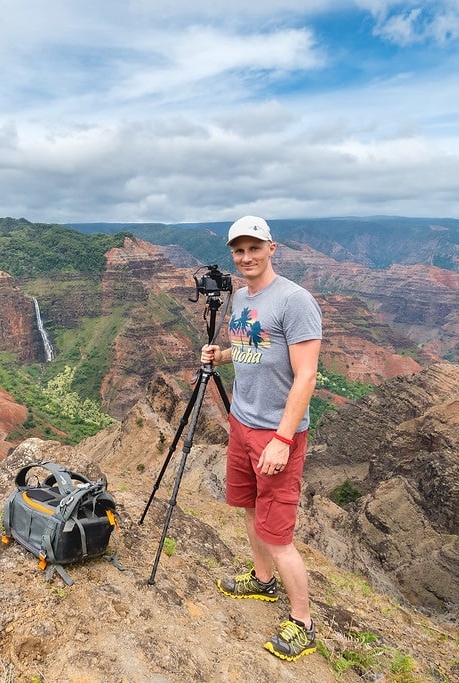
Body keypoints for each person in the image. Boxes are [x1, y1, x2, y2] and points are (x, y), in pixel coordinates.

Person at [201, 215, 323, 662]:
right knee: (250, 509)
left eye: (255, 248)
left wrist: (283, 439)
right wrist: (224, 353)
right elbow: (255, 349)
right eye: (239, 250)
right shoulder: (238, 297)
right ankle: (262, 580)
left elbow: (306, 375)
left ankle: (303, 623)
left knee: (277, 532)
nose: (246, 257)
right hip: (242, 421)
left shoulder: (295, 300)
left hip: (276, 433)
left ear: (273, 248)